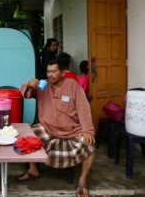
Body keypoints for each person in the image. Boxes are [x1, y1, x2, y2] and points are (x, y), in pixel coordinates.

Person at [20, 59, 95, 197]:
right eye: (48, 72)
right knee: (27, 137)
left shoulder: (72, 85)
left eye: (54, 71)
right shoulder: (43, 86)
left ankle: (83, 180)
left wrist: (87, 130)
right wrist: (29, 85)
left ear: (62, 73)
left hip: (72, 130)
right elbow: (26, 94)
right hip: (48, 128)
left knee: (90, 145)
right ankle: (33, 169)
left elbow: (83, 108)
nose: (50, 75)